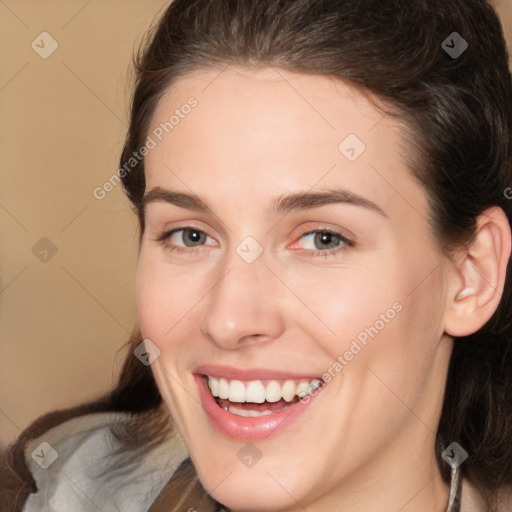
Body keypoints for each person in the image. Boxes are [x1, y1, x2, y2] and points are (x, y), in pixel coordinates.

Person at [2, 0, 512, 510]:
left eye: (322, 239)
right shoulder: (49, 488)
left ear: (471, 275)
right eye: (191, 236)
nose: (229, 319)